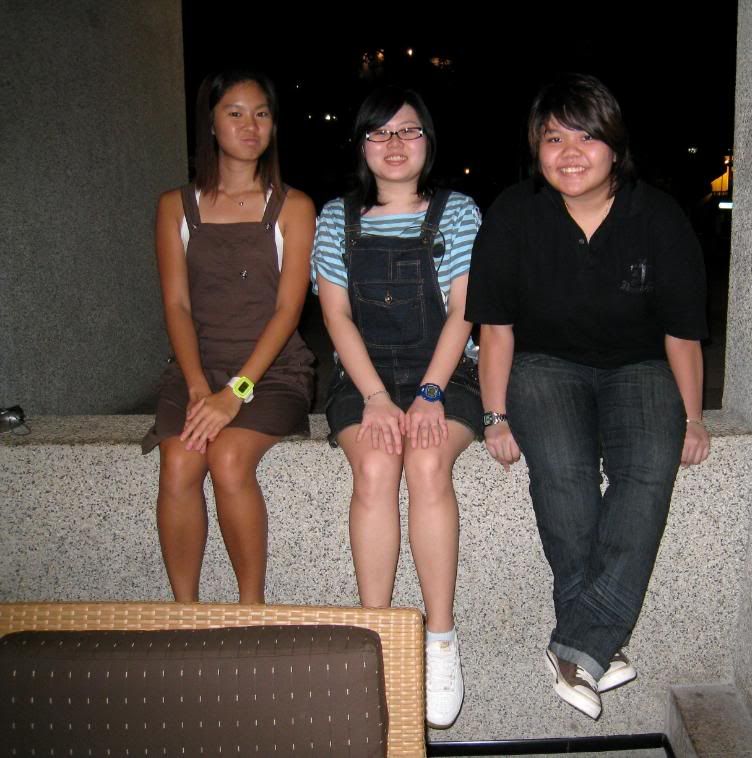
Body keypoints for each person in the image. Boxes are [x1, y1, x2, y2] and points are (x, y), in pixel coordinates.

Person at [465, 73, 711, 720]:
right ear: (536, 148)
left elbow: (682, 333)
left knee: (648, 470)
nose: (569, 153)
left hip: (639, 365)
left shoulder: (657, 217)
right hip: (544, 365)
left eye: (586, 137)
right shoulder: (515, 214)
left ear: (615, 146)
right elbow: (496, 329)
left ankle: (579, 642)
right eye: (554, 139)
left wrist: (692, 416)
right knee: (563, 474)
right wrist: (494, 415)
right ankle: (598, 643)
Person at [311, 87, 481, 729]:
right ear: (361, 146)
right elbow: (335, 316)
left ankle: (440, 639)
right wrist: (377, 398)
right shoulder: (337, 218)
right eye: (379, 133)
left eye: (408, 130)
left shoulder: (458, 211)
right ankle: (376, 634)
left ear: (428, 142)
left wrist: (431, 392)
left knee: (428, 462)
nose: (394, 144)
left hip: (446, 369)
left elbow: (464, 311)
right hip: (365, 377)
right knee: (377, 465)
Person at [142, 70, 316, 606]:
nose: (250, 125)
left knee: (229, 458)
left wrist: (235, 392)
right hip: (197, 367)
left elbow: (288, 311)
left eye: (261, 113)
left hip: (273, 372)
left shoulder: (293, 206)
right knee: (179, 461)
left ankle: (250, 608)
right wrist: (198, 386)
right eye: (235, 113)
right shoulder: (176, 206)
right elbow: (176, 304)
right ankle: (184, 613)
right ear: (211, 123)